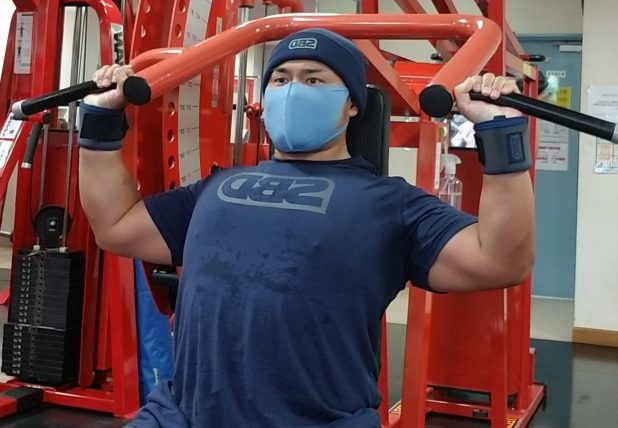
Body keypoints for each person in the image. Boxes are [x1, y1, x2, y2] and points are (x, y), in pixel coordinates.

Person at [78, 28, 534, 428]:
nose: (293, 90)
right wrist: (98, 119)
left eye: (314, 79)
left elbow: (500, 260)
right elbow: (117, 226)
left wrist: (502, 136)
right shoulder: (217, 186)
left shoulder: (389, 202)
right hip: (183, 415)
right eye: (280, 79)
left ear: (352, 104)